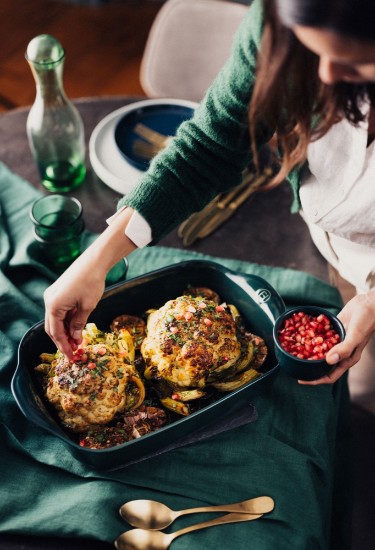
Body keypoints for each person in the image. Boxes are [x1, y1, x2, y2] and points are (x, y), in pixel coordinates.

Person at [44, 0, 375, 412]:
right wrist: (96, 261)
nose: (324, 74)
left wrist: (371, 300)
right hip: (328, 246)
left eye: (354, 63)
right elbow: (210, 145)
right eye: (312, 50)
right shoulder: (277, 21)